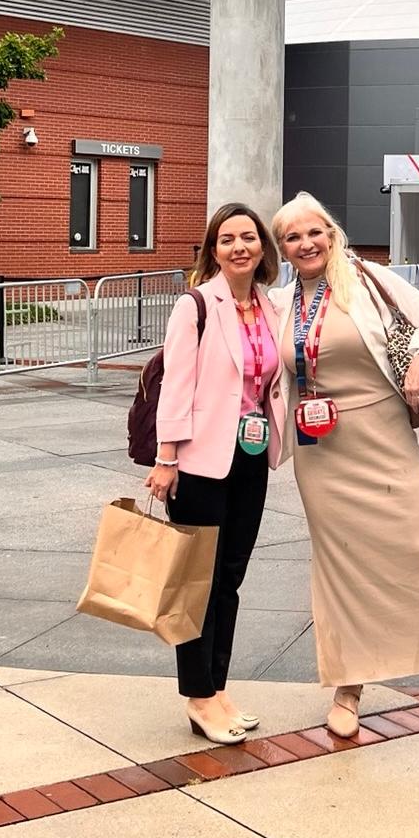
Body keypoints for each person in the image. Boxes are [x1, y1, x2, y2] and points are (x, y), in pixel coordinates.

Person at [270, 191, 419, 747]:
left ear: (332, 233)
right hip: (320, 450)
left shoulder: (366, 278)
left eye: (313, 232)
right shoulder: (281, 302)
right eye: (292, 238)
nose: (306, 244)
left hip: (382, 435)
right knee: (340, 568)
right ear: (283, 248)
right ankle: (349, 686)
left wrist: (418, 360)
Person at [144, 203, 290, 745]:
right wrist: (166, 459)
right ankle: (198, 695)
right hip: (200, 463)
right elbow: (175, 385)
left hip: (251, 460)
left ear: (262, 248)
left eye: (248, 237)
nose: (239, 247)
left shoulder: (272, 307)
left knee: (229, 579)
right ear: (212, 250)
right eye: (226, 239)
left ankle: (217, 686)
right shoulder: (196, 305)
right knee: (196, 585)